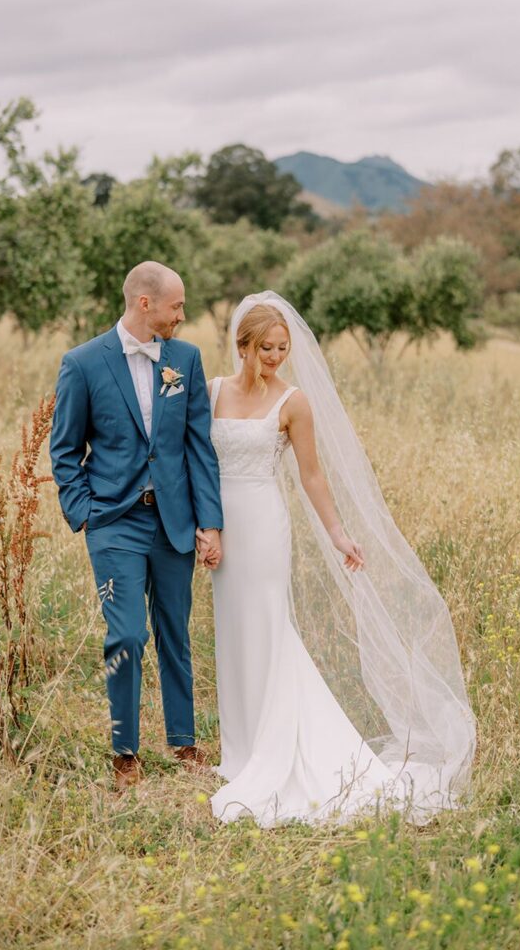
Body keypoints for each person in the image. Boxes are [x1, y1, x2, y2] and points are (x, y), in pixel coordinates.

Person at [203, 292, 477, 828]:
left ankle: (275, 750)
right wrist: (201, 525)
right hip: (220, 526)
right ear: (243, 345)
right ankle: (239, 752)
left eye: (282, 348)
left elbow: (312, 475)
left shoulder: (294, 402)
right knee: (233, 631)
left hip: (263, 525)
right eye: (266, 348)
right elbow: (194, 460)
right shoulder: (211, 392)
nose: (276, 357)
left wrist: (338, 534)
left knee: (268, 627)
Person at [49, 261, 223, 793]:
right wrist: (84, 512)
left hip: (174, 521)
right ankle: (125, 749)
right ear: (145, 304)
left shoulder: (186, 360)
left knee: (175, 632)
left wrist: (210, 522)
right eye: (177, 306)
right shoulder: (81, 363)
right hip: (113, 523)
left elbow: (199, 447)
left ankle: (183, 740)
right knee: (125, 633)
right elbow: (63, 449)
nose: (183, 315)